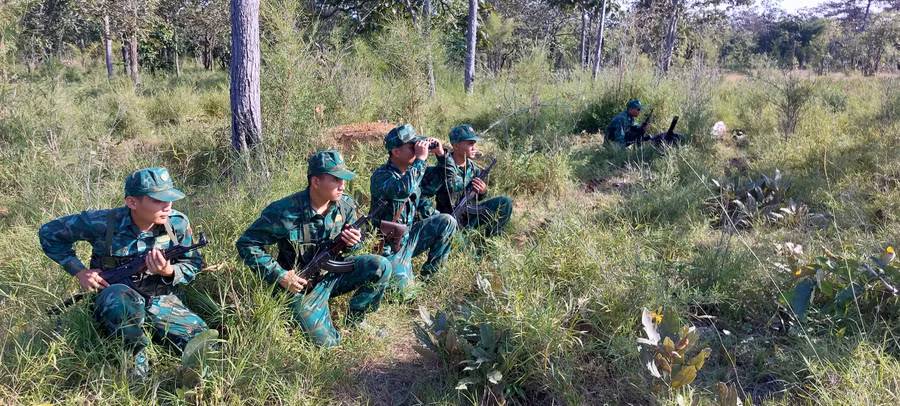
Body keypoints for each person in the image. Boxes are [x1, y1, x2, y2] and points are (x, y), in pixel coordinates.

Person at [38, 167, 211, 380]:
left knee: (203, 342)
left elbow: (192, 263)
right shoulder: (102, 222)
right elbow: (49, 233)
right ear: (132, 202)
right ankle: (135, 372)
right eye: (157, 200)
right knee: (120, 303)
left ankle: (195, 382)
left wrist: (168, 270)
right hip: (115, 299)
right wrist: (80, 272)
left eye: (170, 199)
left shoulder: (177, 223)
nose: (167, 206)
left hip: (160, 298)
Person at [236, 150, 392, 347]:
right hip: (301, 286)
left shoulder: (345, 206)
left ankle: (355, 322)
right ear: (315, 182)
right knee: (327, 345)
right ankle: (314, 319)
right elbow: (247, 244)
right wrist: (281, 276)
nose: (342, 186)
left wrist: (354, 242)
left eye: (343, 180)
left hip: (334, 276)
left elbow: (353, 248)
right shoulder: (285, 211)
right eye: (336, 180)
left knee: (381, 266)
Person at [369, 124, 456, 296]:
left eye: (418, 146)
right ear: (395, 152)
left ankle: (432, 275)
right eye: (411, 147)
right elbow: (403, 189)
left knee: (447, 221)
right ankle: (398, 269)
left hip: (410, 237)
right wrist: (420, 160)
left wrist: (441, 155)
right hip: (389, 247)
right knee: (405, 295)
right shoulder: (381, 176)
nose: (417, 150)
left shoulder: (415, 171)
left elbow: (449, 178)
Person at [421, 124, 512, 238]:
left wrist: (483, 192)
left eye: (474, 144)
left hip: (470, 217)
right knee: (467, 251)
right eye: (470, 144)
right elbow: (422, 196)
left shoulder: (473, 169)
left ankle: (489, 240)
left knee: (505, 203)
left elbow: (477, 197)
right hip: (451, 222)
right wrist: (438, 218)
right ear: (456, 146)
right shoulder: (442, 170)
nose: (474, 147)